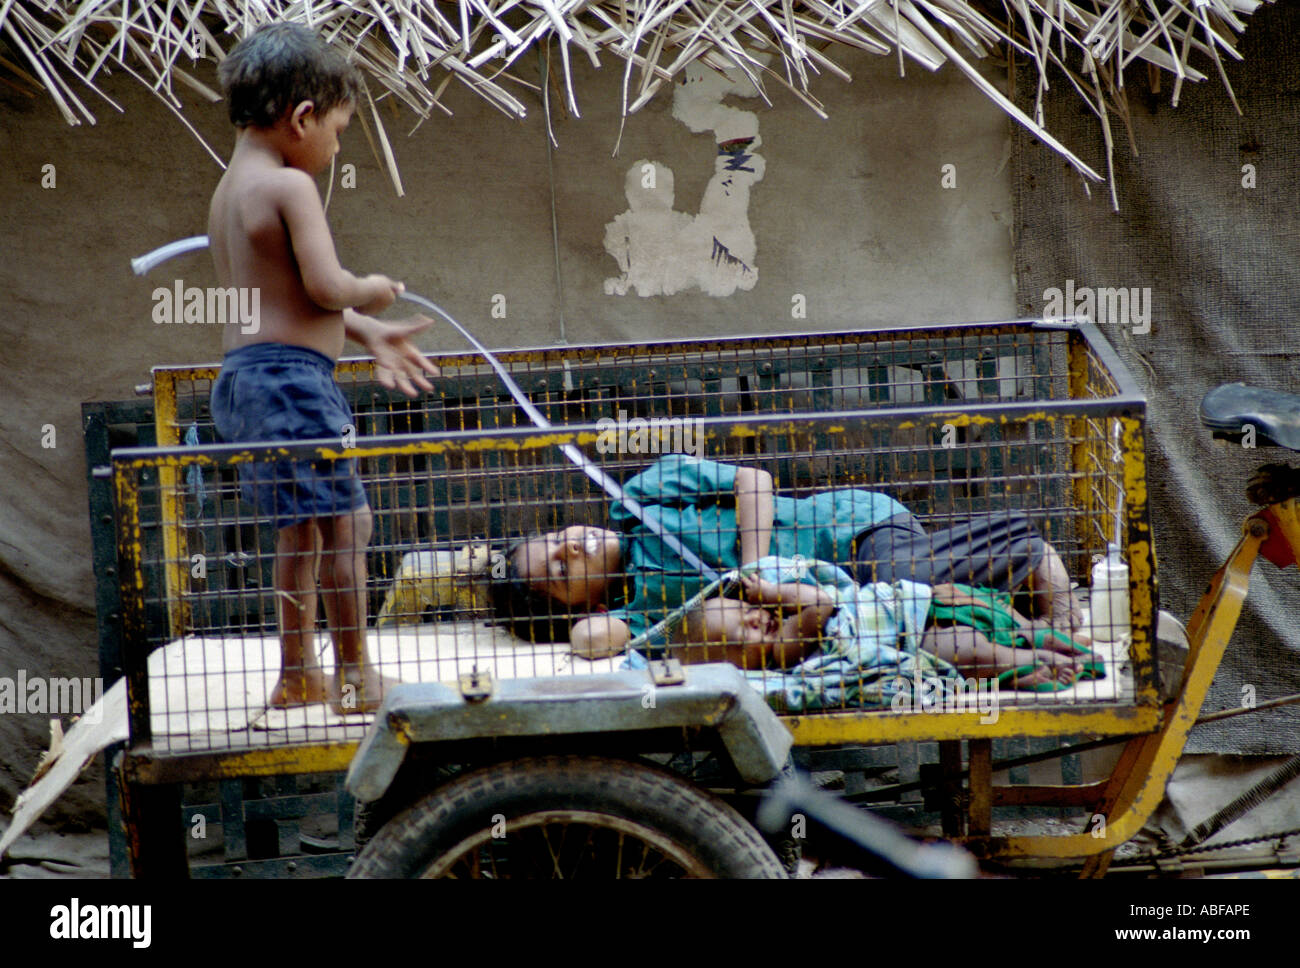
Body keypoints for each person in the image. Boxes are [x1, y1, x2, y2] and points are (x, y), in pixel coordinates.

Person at [207, 23, 439, 713]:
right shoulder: (291, 186)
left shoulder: (229, 191)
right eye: (338, 132)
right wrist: (371, 290)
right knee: (347, 524)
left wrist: (365, 332)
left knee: (298, 528)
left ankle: (297, 674)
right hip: (292, 384)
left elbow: (282, 298)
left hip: (248, 382)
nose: (337, 149)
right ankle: (355, 678)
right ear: (302, 116)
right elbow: (326, 286)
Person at [491, 454, 1084, 659]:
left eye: (557, 536)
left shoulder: (643, 495)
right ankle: (1028, 621)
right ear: (581, 605)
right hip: (843, 604)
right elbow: (590, 640)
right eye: (561, 571)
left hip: (856, 536)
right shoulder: (643, 610)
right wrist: (580, 622)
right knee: (934, 635)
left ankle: (1028, 551)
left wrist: (755, 567)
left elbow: (752, 480)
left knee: (898, 575)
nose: (570, 545)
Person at [673, 564, 1086, 690]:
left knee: (988, 631)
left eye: (743, 608)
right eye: (742, 630)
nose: (754, 615)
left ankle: (1040, 643)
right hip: (908, 631)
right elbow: (821, 604)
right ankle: (1036, 659)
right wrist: (772, 591)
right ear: (739, 663)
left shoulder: (777, 629)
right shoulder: (782, 650)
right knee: (974, 653)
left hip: (907, 608)